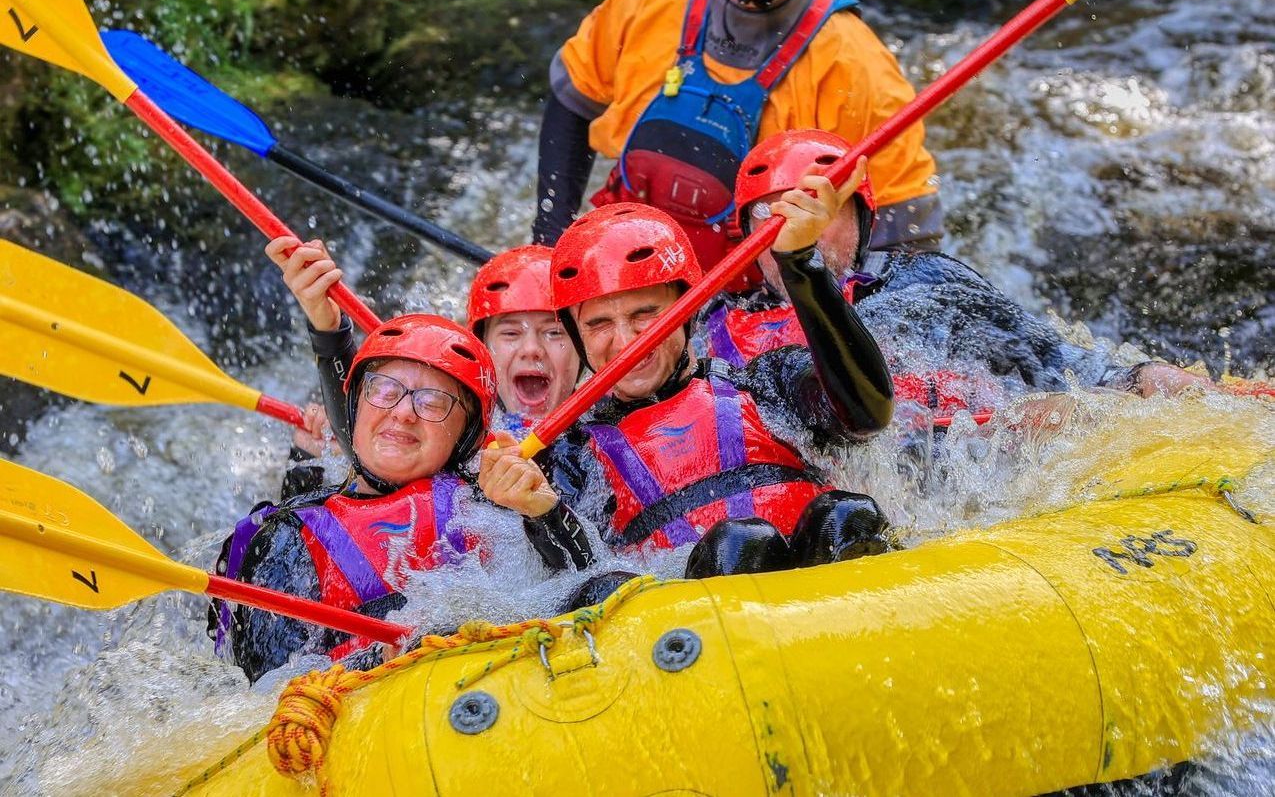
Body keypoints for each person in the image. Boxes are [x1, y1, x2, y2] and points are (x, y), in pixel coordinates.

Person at [534, 0, 941, 277]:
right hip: (629, 288)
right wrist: (551, 251)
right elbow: (572, 100)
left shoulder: (855, 64)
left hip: (761, 313)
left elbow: (906, 246)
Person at [208, 243, 591, 683]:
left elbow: (588, 588)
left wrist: (547, 511)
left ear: (466, 437)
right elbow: (264, 699)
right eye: (385, 392)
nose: (403, 413)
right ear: (355, 408)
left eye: (434, 402)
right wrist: (374, 665)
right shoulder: (286, 538)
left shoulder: (495, 508)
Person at [485, 196, 896, 581]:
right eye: (599, 324)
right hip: (706, 623)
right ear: (577, 337)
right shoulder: (573, 455)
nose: (626, 340)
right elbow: (585, 577)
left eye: (646, 315)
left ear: (688, 314)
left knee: (848, 514)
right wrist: (542, 511)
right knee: (739, 545)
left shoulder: (768, 383)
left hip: (835, 597)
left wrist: (804, 266)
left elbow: (866, 413)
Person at [702, 129, 1210, 404]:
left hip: (968, 454)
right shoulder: (707, 329)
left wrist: (1142, 379)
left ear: (863, 220)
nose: (798, 231)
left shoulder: (926, 285)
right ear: (746, 235)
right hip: (813, 501)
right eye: (771, 216)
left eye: (821, 210)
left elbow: (1053, 362)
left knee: (1057, 411)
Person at [466, 245, 581, 438]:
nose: (531, 349)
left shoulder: (612, 427)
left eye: (553, 332)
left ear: (582, 351)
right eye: (511, 333)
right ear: (483, 350)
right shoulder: (456, 435)